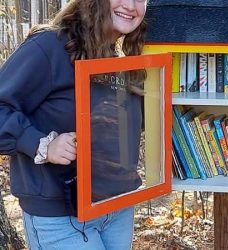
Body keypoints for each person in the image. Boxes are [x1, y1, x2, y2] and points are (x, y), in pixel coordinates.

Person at [0, 0, 148, 249]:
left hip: (117, 206)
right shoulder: (48, 46)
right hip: (60, 216)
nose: (131, 6)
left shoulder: (120, 55)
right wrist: (42, 144)